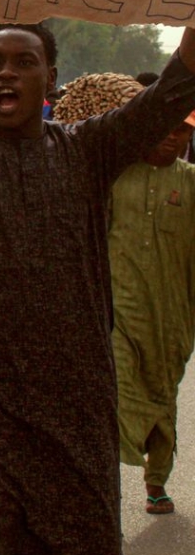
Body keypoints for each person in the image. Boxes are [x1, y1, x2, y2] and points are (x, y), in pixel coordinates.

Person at [0, 10, 195, 554]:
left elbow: (173, 89)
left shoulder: (90, 148)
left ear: (51, 77)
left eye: (25, 63)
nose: (7, 74)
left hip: (77, 417)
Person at [53, 74, 195, 516]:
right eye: (168, 127)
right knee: (115, 396)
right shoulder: (115, 176)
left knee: (162, 395)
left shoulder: (190, 182)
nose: (175, 137)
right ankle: (101, 489)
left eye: (185, 131)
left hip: (173, 318)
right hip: (117, 311)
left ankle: (156, 480)